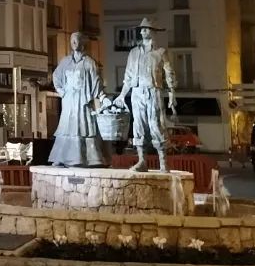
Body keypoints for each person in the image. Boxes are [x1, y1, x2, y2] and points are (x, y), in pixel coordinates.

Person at [121, 16, 177, 171]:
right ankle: (141, 161)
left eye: (146, 28)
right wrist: (121, 95)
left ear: (153, 32)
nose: (143, 31)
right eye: (142, 29)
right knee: (138, 126)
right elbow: (128, 76)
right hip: (137, 92)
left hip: (154, 91)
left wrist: (172, 93)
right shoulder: (133, 53)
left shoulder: (160, 53)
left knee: (156, 125)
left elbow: (169, 73)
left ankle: (163, 163)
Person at [48, 31, 110, 167]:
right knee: (66, 127)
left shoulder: (89, 63)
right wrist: (61, 91)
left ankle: (89, 158)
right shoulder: (65, 62)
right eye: (72, 41)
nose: (74, 43)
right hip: (69, 100)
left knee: (84, 126)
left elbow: (96, 82)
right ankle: (61, 157)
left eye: (76, 40)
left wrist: (102, 97)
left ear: (83, 43)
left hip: (83, 100)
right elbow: (56, 76)